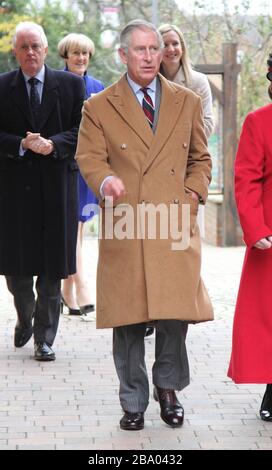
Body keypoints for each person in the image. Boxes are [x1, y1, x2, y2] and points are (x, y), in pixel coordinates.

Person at [76, 19, 213, 430]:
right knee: (129, 317)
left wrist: (192, 195)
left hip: (173, 219)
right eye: (140, 50)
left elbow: (201, 159)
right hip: (127, 221)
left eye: (154, 48)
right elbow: (89, 158)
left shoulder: (186, 101)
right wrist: (104, 181)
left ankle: (168, 389)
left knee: (174, 314)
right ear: (123, 55)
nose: (150, 56)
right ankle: (133, 400)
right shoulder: (98, 106)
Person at [0, 22, 85, 361]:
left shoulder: (70, 85)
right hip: (15, 193)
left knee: (51, 270)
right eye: (24, 47)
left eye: (36, 46)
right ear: (15, 52)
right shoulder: (3, 86)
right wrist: (20, 144)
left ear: (47, 49)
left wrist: (54, 144)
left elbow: (83, 131)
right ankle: (26, 317)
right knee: (17, 274)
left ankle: (44, 339)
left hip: (56, 188)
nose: (31, 52)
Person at [144, 24, 215, 338]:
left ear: (182, 47)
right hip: (149, 178)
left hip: (184, 176)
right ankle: (149, 310)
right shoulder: (146, 83)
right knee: (149, 245)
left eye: (175, 43)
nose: (171, 49)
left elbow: (207, 125)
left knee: (180, 249)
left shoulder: (197, 83)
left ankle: (176, 309)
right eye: (165, 44)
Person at [228, 56, 272, 421]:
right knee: (268, 319)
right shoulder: (258, 122)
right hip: (271, 238)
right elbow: (246, 180)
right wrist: (256, 228)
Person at [57, 33, 104, 316]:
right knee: (71, 225)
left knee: (78, 226)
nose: (81, 58)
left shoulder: (98, 86)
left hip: (89, 167)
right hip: (63, 165)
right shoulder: (54, 83)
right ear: (65, 56)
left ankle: (66, 290)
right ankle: (82, 284)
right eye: (76, 53)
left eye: (85, 53)